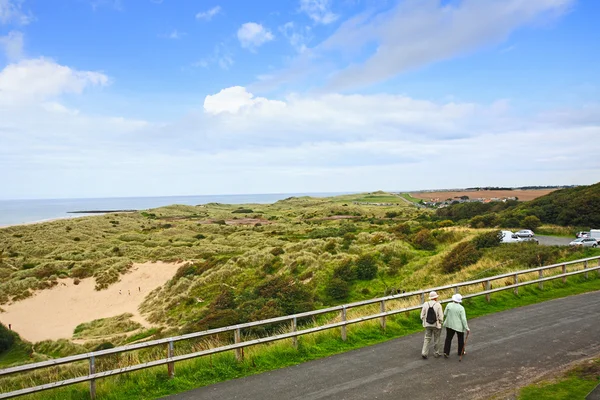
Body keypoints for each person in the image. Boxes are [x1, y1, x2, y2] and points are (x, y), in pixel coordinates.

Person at [443, 293, 470, 358]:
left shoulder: (449, 305)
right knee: (460, 339)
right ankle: (461, 351)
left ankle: (446, 352)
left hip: (449, 324)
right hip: (459, 326)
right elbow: (463, 319)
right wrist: (467, 328)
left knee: (448, 338)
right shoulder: (461, 308)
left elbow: (445, 313)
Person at [420, 291, 443, 359]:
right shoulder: (438, 305)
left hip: (427, 324)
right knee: (437, 338)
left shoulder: (425, 304)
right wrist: (440, 322)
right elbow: (441, 316)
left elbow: (422, 315)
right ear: (436, 297)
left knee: (427, 338)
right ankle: (436, 353)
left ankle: (424, 352)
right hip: (436, 324)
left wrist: (424, 320)